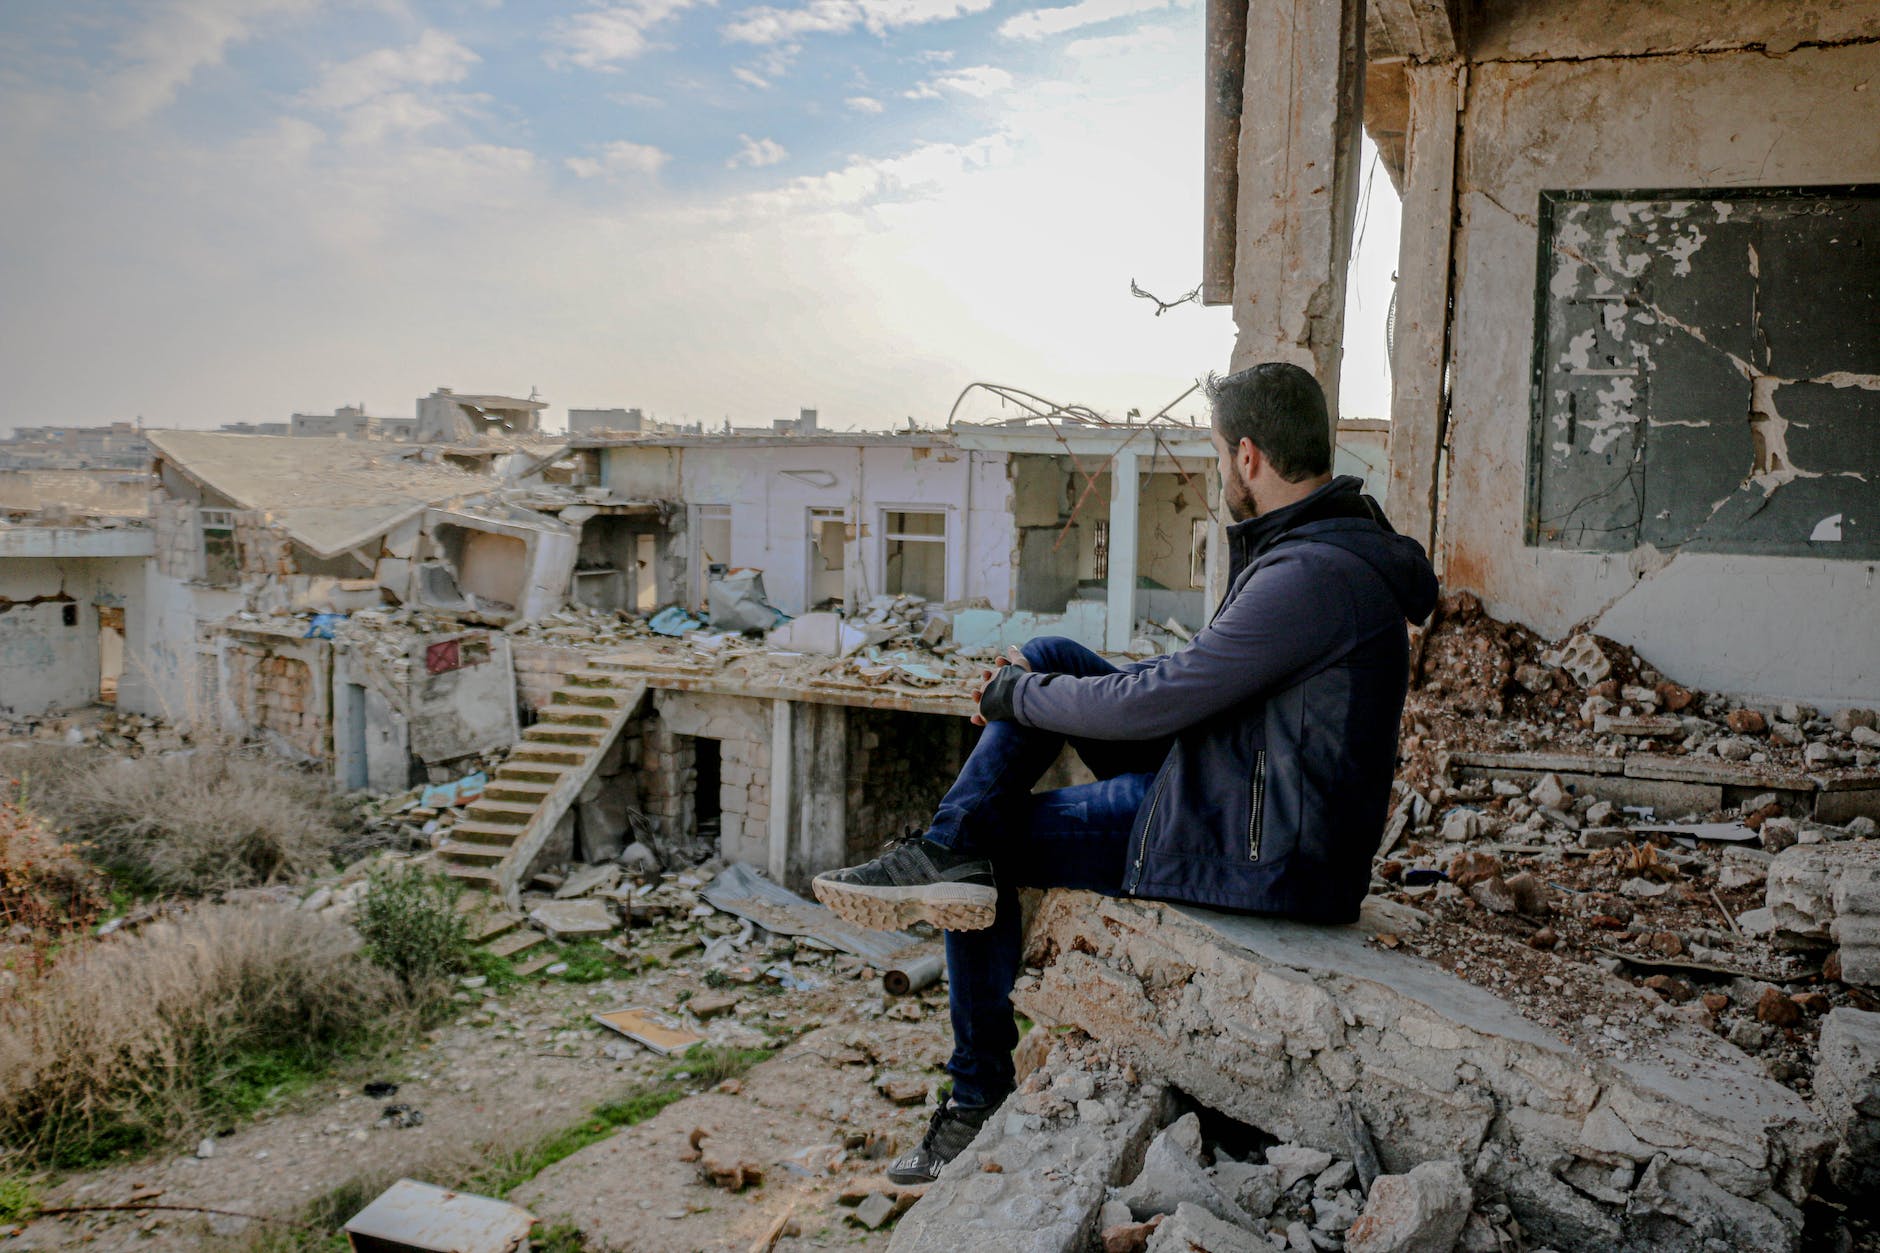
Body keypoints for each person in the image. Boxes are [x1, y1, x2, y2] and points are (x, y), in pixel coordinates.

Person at [812, 362, 1439, 1184]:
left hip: (1258, 848)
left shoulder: (1310, 575)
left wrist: (1019, 699)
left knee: (994, 839)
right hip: (1239, 795)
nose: (1220, 473)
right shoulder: (1317, 551)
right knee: (1048, 657)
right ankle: (949, 845)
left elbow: (1161, 700)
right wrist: (1031, 687)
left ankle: (974, 1096)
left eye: (1218, 455)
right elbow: (1192, 687)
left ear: (1248, 456)